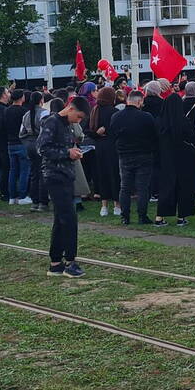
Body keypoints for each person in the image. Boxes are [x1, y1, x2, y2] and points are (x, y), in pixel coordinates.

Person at [39, 97, 89, 278]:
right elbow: (42, 148)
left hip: (65, 174)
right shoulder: (51, 122)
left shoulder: (66, 125)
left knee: (61, 219)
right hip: (55, 176)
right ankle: (70, 261)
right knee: (69, 218)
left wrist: (72, 152)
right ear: (70, 109)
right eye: (79, 116)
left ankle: (55, 263)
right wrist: (67, 153)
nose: (79, 121)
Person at [108, 90, 158, 225]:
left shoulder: (116, 117)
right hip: (144, 155)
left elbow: (112, 135)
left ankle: (125, 216)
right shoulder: (146, 117)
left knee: (125, 187)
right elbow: (154, 135)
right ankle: (142, 216)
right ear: (140, 101)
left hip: (124, 155)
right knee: (142, 187)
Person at [154, 92, 195, 226]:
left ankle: (160, 216)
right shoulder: (183, 121)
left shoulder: (159, 122)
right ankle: (182, 216)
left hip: (166, 157)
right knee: (183, 187)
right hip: (183, 158)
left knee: (166, 186)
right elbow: (191, 136)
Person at [88, 86, 122, 217]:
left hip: (99, 146)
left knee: (102, 175)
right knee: (114, 175)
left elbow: (88, 130)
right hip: (113, 146)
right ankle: (116, 205)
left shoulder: (94, 111)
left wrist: (97, 134)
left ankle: (104, 206)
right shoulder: (114, 112)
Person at [19, 91, 47, 210]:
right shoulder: (44, 113)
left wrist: (27, 142)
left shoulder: (26, 114)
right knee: (43, 173)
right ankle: (43, 202)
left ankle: (34, 201)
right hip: (41, 145)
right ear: (41, 100)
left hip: (30, 145)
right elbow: (46, 130)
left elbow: (21, 133)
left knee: (34, 173)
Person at [4, 90, 32, 206]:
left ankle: (12, 196)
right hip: (21, 142)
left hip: (10, 143)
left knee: (13, 170)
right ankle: (22, 195)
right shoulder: (24, 111)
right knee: (24, 170)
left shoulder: (6, 110)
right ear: (22, 98)